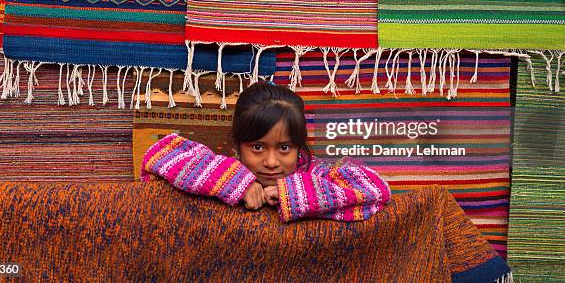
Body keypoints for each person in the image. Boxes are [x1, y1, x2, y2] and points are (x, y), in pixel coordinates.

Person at [140, 82, 391, 222]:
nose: (271, 162)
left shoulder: (317, 173)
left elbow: (377, 190)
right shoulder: (216, 171)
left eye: (284, 148)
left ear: (299, 146)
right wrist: (240, 182)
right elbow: (158, 154)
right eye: (257, 147)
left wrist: (293, 192)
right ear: (238, 145)